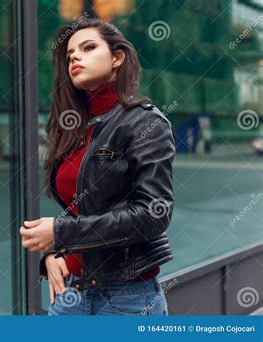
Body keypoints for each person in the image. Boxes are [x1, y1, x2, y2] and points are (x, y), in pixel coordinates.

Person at [20, 19, 175, 315]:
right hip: (69, 293)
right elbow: (83, 208)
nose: (75, 57)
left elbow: (153, 214)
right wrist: (55, 254)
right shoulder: (74, 127)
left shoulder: (145, 123)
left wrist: (60, 233)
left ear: (117, 58)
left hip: (126, 298)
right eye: (69, 55)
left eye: (88, 47)